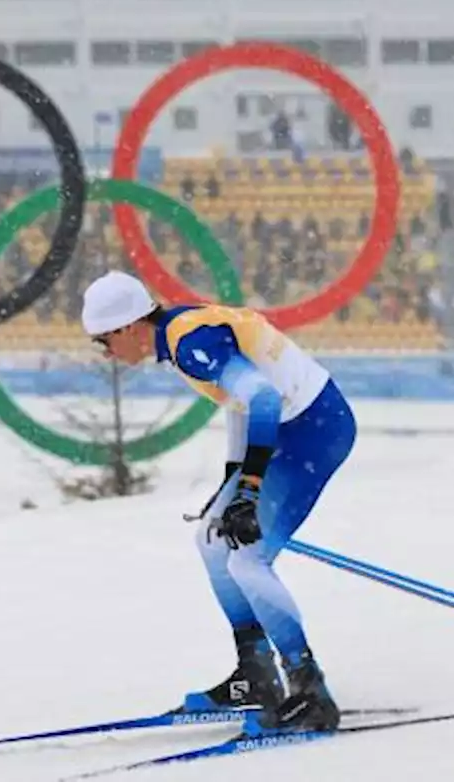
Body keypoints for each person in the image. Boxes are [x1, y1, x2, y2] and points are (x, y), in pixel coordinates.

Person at [80, 270, 358, 734]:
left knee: (249, 561)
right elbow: (241, 406)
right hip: (292, 430)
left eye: (103, 341)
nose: (106, 353)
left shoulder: (190, 345)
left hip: (312, 431)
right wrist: (232, 486)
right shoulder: (179, 335)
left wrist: (247, 492)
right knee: (212, 538)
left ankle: (310, 691)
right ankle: (257, 673)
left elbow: (264, 400)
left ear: (128, 326)